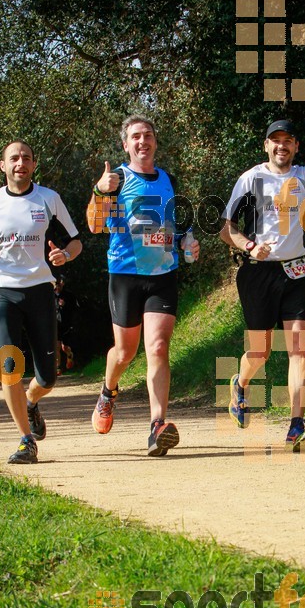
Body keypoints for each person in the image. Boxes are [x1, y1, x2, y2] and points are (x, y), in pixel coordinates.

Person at [220, 119, 305, 451]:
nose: (282, 146)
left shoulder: (303, 174)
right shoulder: (251, 178)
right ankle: (241, 382)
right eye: (275, 140)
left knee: (299, 348)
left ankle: (296, 426)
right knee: (261, 350)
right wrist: (250, 246)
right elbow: (226, 229)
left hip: (296, 271)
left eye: (288, 141)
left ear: (295, 146)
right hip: (257, 273)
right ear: (266, 145)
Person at [0, 140, 82, 464]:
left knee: (49, 377)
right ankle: (26, 440)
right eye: (14, 158)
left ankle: (31, 401)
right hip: (3, 290)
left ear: (33, 164)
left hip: (40, 288)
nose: (20, 163)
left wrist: (64, 254)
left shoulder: (49, 199)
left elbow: (77, 241)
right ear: (3, 166)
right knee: (9, 366)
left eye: (26, 158)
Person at [86, 115, 200, 456]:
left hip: (163, 275)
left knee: (159, 347)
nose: (142, 141)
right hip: (125, 275)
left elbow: (173, 225)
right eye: (135, 136)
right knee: (125, 352)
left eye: (148, 135)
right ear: (126, 145)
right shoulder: (116, 180)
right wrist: (98, 191)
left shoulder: (168, 179)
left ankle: (157, 425)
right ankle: (108, 391)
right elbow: (94, 226)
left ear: (155, 142)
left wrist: (186, 241)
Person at [54, 274, 79, 374]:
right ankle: (58, 367)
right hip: (55, 325)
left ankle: (69, 355)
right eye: (56, 284)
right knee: (57, 346)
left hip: (67, 324)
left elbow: (75, 309)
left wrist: (65, 306)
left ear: (63, 283)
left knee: (65, 347)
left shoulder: (69, 296)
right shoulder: (49, 295)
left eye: (60, 283)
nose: (58, 286)